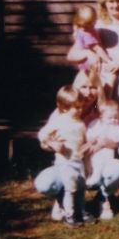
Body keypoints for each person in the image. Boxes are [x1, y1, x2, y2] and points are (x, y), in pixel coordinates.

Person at [69, 67, 119, 219]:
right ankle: (66, 200)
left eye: (93, 87)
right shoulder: (70, 108)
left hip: (98, 154)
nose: (88, 92)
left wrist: (104, 142)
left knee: (116, 168)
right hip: (75, 157)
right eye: (84, 87)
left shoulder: (100, 109)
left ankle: (103, 197)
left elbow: (109, 115)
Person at [34, 86, 90, 227]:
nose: (80, 110)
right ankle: (69, 215)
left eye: (81, 107)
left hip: (78, 161)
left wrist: (87, 146)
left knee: (81, 187)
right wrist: (53, 144)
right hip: (65, 162)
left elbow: (83, 140)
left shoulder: (80, 123)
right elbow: (42, 134)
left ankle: (81, 211)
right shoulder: (60, 120)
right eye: (76, 108)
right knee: (70, 188)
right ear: (64, 108)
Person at [85, 101, 119, 220]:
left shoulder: (118, 127)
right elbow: (90, 135)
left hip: (108, 155)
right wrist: (95, 139)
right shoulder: (95, 124)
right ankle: (92, 181)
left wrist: (105, 141)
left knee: (105, 167)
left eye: (116, 117)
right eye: (110, 118)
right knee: (95, 165)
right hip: (94, 156)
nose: (113, 120)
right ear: (101, 116)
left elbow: (118, 140)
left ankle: (103, 197)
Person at [67, 5, 113, 76]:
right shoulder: (88, 33)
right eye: (81, 25)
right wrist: (108, 61)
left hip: (85, 63)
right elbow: (97, 48)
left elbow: (97, 48)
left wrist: (75, 31)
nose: (83, 28)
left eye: (86, 26)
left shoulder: (81, 30)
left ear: (94, 23)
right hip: (90, 63)